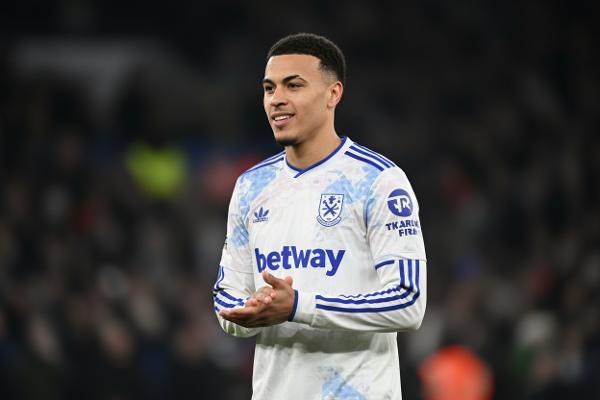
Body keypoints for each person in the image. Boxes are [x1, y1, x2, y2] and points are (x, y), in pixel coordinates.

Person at [213, 32, 427, 399]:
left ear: (333, 94)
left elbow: (408, 303)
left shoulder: (378, 180)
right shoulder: (251, 186)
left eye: (293, 85)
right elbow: (226, 296)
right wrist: (248, 312)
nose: (277, 99)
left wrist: (299, 306)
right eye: (269, 88)